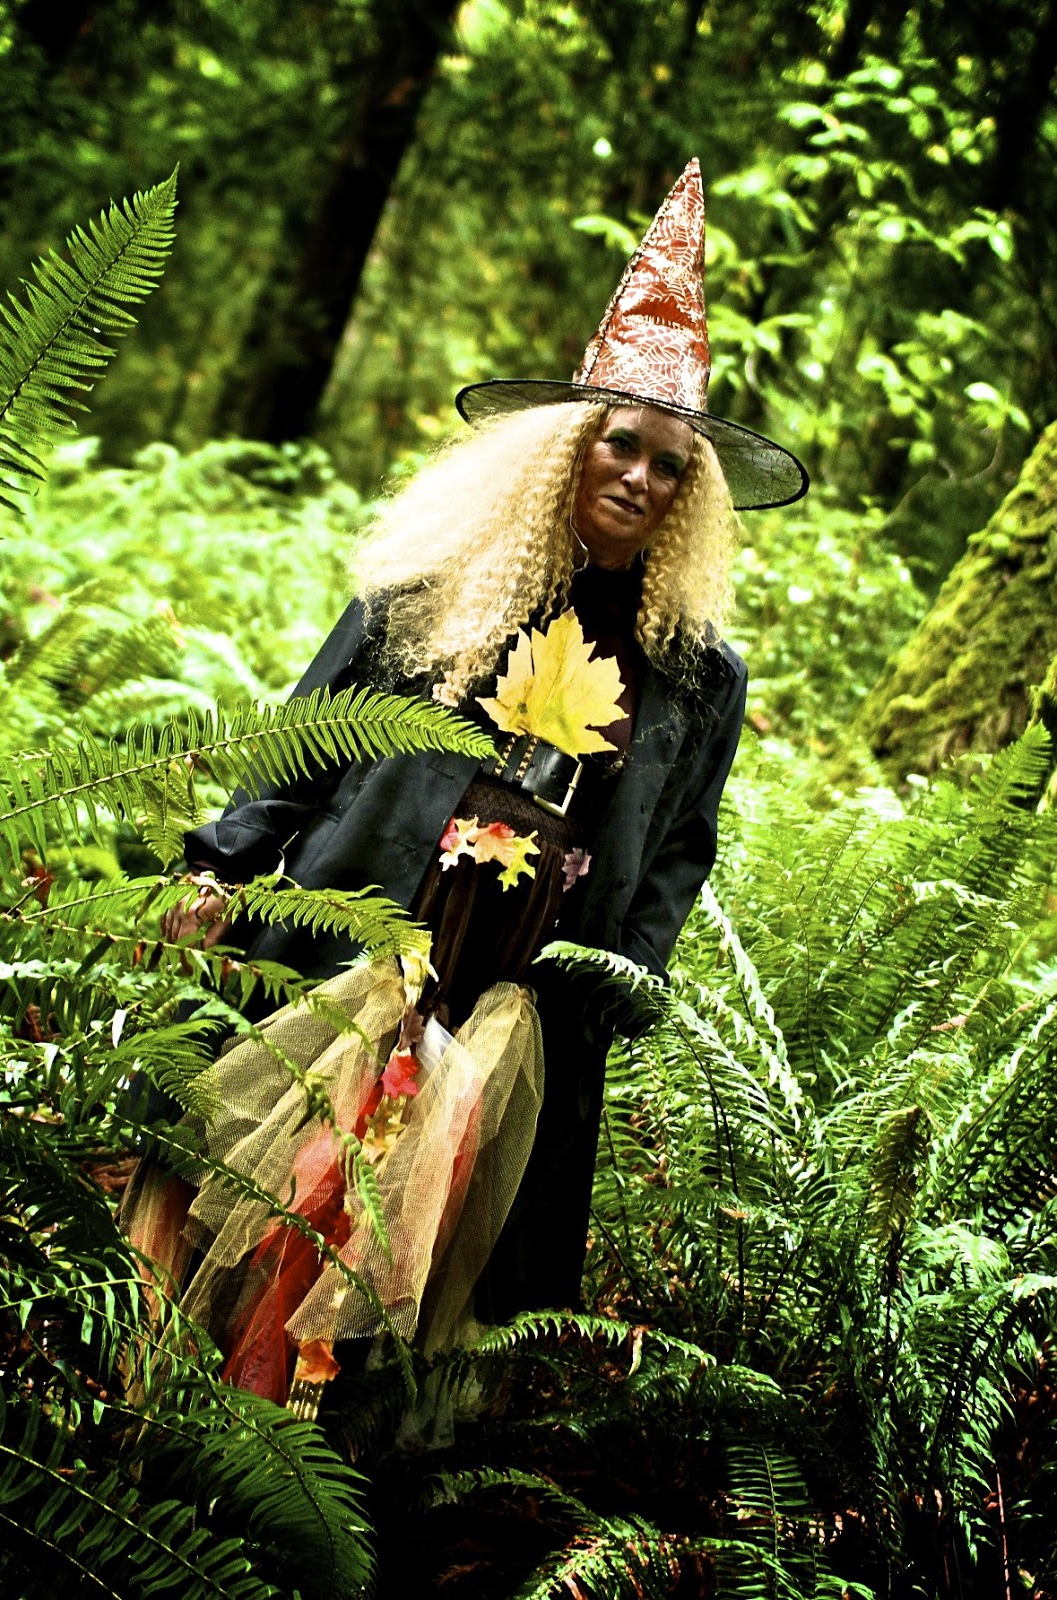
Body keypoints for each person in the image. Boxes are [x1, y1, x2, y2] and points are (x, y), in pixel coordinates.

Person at [124, 159, 807, 1415]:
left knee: (427, 1256)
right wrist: (222, 864)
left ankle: (349, 1467)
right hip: (357, 929)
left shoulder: (701, 675)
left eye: (672, 466)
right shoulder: (431, 586)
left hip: (520, 1000)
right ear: (567, 451)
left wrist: (621, 980)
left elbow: (680, 849)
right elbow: (309, 736)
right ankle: (191, 1431)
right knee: (271, 1196)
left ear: (692, 496)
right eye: (623, 444)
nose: (642, 479)